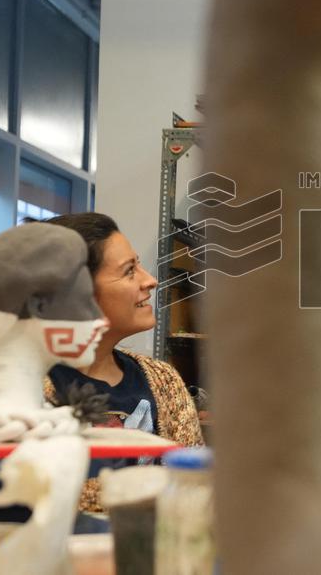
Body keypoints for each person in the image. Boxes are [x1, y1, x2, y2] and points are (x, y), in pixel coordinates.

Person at [42, 213, 204, 511]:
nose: (150, 280)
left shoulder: (164, 380)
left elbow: (194, 492)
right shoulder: (25, 391)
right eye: (130, 271)